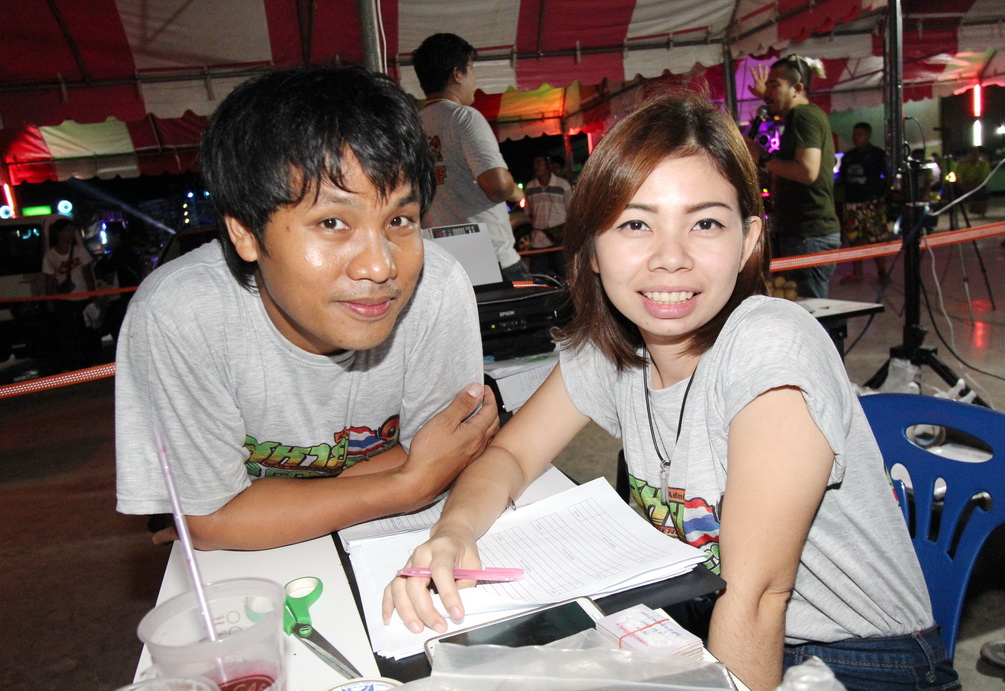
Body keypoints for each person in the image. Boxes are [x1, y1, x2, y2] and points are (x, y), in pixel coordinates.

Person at [383, 94, 957, 691]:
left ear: (748, 241)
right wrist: (453, 532)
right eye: (636, 224)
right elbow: (510, 453)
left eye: (705, 223)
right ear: (592, 250)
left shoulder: (770, 347)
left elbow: (758, 596)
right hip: (707, 618)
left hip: (860, 659)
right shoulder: (614, 348)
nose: (671, 259)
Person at [115, 64, 499, 551]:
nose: (381, 266)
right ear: (245, 232)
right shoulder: (182, 314)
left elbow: (450, 454)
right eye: (333, 222)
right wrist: (407, 485)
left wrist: (259, 509)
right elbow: (208, 524)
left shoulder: (435, 288)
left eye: (399, 219)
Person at [412, 33, 530, 284]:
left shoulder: (412, 127)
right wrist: (516, 192)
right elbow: (498, 186)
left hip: (443, 260)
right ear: (457, 74)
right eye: (471, 70)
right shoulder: (464, 118)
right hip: (491, 257)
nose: (474, 80)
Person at [746, 56, 840, 298]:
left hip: (809, 234)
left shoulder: (804, 115)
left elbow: (807, 172)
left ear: (797, 88)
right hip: (802, 233)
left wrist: (762, 158)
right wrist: (768, 95)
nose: (768, 92)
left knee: (811, 311)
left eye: (774, 85)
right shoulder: (799, 115)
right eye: (767, 86)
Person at [42, 218, 102, 370]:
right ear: (59, 232)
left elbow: (88, 274)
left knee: (86, 330)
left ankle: (89, 360)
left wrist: (93, 295)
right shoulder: (50, 255)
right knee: (66, 332)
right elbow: (49, 279)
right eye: (67, 230)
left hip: (83, 296)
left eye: (73, 231)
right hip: (64, 299)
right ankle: (70, 363)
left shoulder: (79, 251)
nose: (71, 234)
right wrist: (49, 299)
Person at [838, 122, 891, 283]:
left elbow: (888, 176)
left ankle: (882, 272)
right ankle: (857, 273)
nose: (856, 137)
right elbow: (842, 179)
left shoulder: (877, 154)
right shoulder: (848, 157)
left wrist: (882, 195)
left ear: (868, 135)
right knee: (854, 238)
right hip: (852, 203)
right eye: (854, 134)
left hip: (872, 202)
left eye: (860, 134)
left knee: (877, 238)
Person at [524, 153, 572, 278]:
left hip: (560, 238)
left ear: (548, 164)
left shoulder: (562, 185)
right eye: (534, 163)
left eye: (539, 163)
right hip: (538, 239)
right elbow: (529, 212)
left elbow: (570, 209)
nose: (535, 166)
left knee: (564, 276)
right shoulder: (530, 187)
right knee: (539, 278)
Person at [954, 146, 991, 217]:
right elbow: (957, 178)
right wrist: (964, 187)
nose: (975, 155)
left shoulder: (983, 164)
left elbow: (983, 179)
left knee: (984, 190)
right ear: (969, 154)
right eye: (973, 153)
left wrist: (973, 187)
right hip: (963, 185)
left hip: (977, 185)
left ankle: (981, 210)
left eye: (977, 153)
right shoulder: (961, 164)